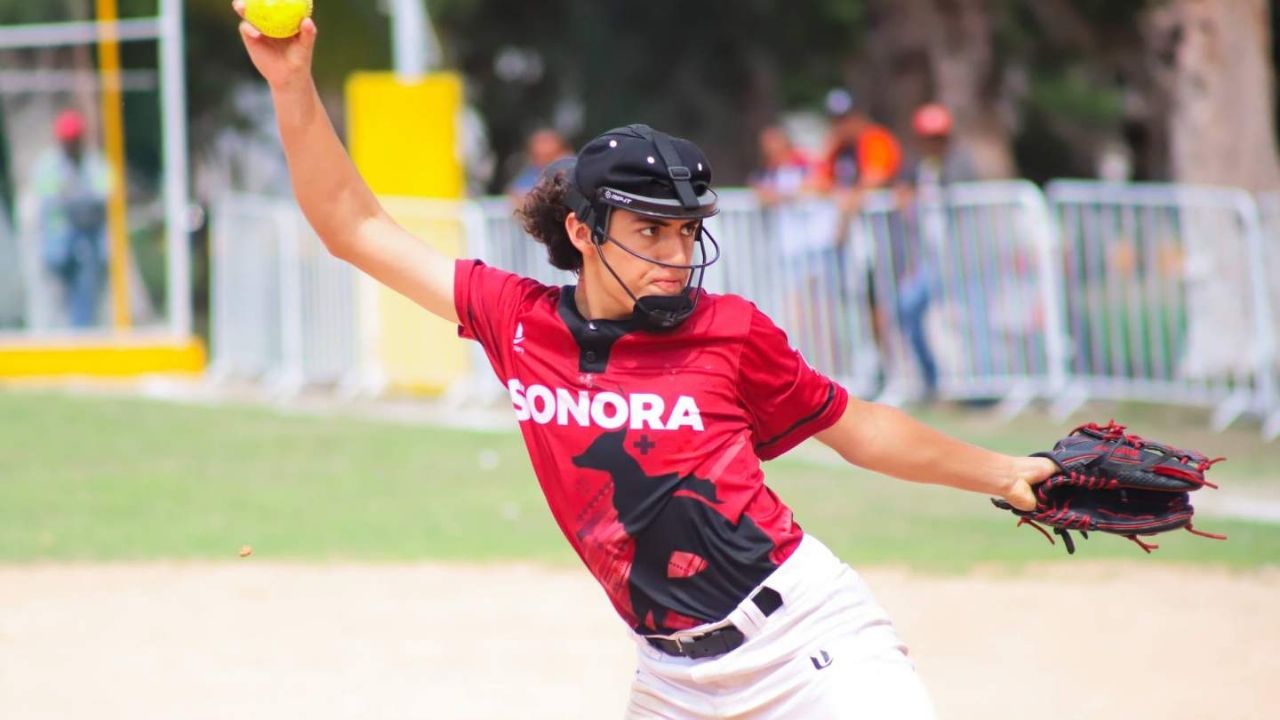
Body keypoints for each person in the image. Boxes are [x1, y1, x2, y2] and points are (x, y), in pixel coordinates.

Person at [234, 6, 1056, 717]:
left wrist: (1000, 470)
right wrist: (291, 82)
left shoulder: (728, 330)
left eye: (687, 230)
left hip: (811, 643)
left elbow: (858, 428)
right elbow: (353, 225)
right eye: (650, 230)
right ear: (585, 234)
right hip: (674, 681)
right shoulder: (518, 323)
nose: (676, 253)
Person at [889, 103, 980, 401]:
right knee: (908, 307)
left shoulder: (961, 165)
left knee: (972, 320)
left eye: (938, 137)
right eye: (928, 137)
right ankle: (931, 381)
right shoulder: (919, 167)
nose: (933, 144)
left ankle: (978, 388)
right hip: (932, 258)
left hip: (964, 256)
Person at [31, 109, 112, 328]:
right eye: (67, 140)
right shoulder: (48, 164)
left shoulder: (93, 163)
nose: (71, 145)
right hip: (57, 246)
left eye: (74, 140)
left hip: (88, 244)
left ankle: (82, 338)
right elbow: (49, 200)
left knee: (85, 300)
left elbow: (104, 195)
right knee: (54, 301)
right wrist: (75, 199)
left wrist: (72, 197)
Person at [507, 127, 572, 201]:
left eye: (549, 156)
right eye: (537, 156)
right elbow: (515, 193)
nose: (543, 162)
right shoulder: (532, 172)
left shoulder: (575, 171)